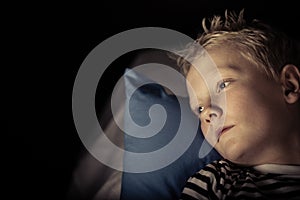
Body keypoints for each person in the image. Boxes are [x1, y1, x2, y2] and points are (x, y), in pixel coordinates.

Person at [175, 9, 300, 199]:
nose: (207, 112)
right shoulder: (215, 182)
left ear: (289, 86)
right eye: (198, 109)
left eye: (222, 85)